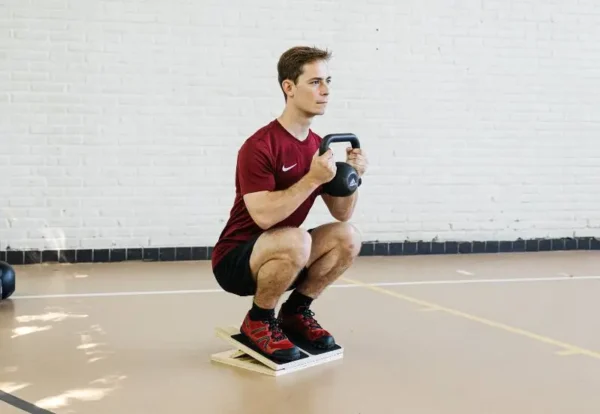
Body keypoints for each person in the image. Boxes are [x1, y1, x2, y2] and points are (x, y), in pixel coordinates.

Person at [211, 46, 368, 362]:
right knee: (298, 239)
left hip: (287, 253)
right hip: (236, 260)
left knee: (347, 236)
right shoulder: (259, 146)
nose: (325, 91)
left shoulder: (318, 148)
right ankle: (259, 320)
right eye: (314, 82)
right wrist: (312, 179)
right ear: (289, 87)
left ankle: (295, 313)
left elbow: (341, 212)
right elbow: (264, 216)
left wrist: (353, 177)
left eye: (328, 81)